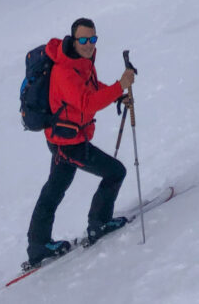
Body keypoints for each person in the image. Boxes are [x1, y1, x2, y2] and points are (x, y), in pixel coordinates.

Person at [25, 18, 136, 268]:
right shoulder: (65, 70)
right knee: (115, 172)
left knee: (54, 190)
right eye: (84, 40)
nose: (88, 44)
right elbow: (87, 103)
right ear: (73, 39)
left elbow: (94, 89)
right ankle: (99, 224)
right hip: (69, 142)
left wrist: (118, 93)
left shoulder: (83, 62)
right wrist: (120, 86)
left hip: (64, 138)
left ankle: (38, 245)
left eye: (92, 39)